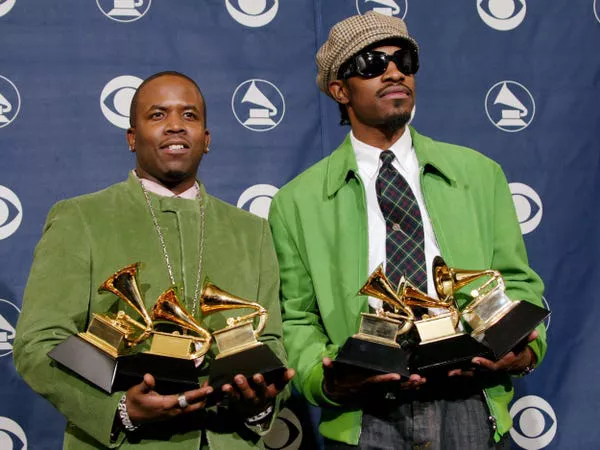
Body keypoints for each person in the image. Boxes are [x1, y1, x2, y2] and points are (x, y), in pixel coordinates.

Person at [269, 12, 546, 450]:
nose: (394, 71)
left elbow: (516, 282)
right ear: (340, 90)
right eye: (372, 64)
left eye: (404, 60)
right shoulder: (296, 203)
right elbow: (297, 319)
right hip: (364, 416)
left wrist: (525, 351)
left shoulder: (480, 174)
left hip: (469, 402)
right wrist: (325, 381)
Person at [14, 71, 294, 449]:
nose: (176, 126)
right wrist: (117, 410)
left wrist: (260, 403)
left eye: (190, 116)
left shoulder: (252, 231)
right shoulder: (80, 218)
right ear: (132, 138)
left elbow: (272, 341)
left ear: (206, 140)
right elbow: (38, 343)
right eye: (158, 115)